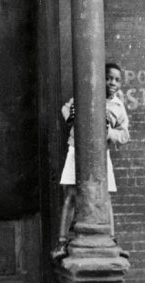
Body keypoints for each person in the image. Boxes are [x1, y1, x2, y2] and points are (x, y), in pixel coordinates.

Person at [52, 60, 130, 261]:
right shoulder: (84, 95)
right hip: (76, 149)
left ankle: (112, 240)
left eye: (117, 80)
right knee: (70, 195)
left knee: (106, 198)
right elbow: (65, 109)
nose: (112, 83)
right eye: (108, 78)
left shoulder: (118, 107)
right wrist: (72, 115)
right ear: (100, 79)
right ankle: (62, 242)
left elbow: (124, 135)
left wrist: (109, 132)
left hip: (101, 154)